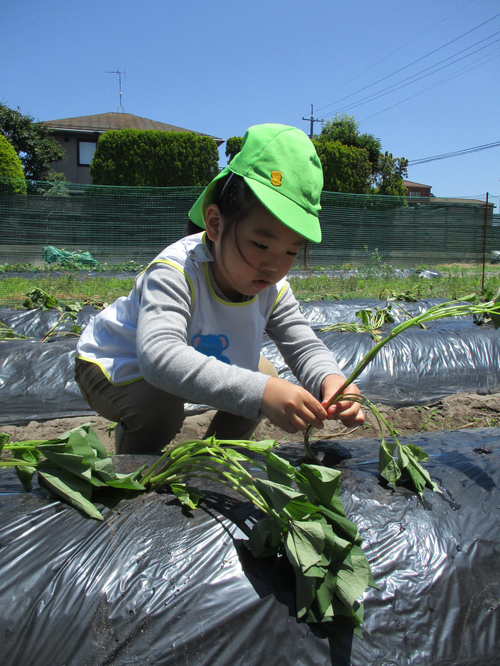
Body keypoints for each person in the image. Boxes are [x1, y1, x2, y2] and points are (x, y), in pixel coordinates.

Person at [75, 123, 364, 454]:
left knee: (264, 372)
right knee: (161, 409)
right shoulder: (176, 271)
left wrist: (334, 382)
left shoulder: (273, 288)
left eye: (290, 252)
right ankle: (133, 477)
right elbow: (159, 358)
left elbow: (304, 346)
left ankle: (218, 458)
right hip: (115, 364)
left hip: (182, 361)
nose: (274, 266)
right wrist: (261, 393)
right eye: (260, 244)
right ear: (215, 224)